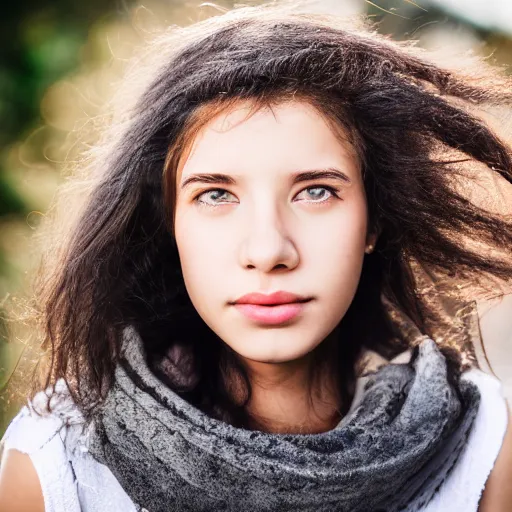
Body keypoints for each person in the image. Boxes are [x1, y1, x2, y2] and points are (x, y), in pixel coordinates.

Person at [0, 3, 511, 511]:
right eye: (216, 195)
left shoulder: (483, 448)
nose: (268, 251)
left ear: (374, 220)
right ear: (168, 223)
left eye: (315, 192)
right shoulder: (59, 462)